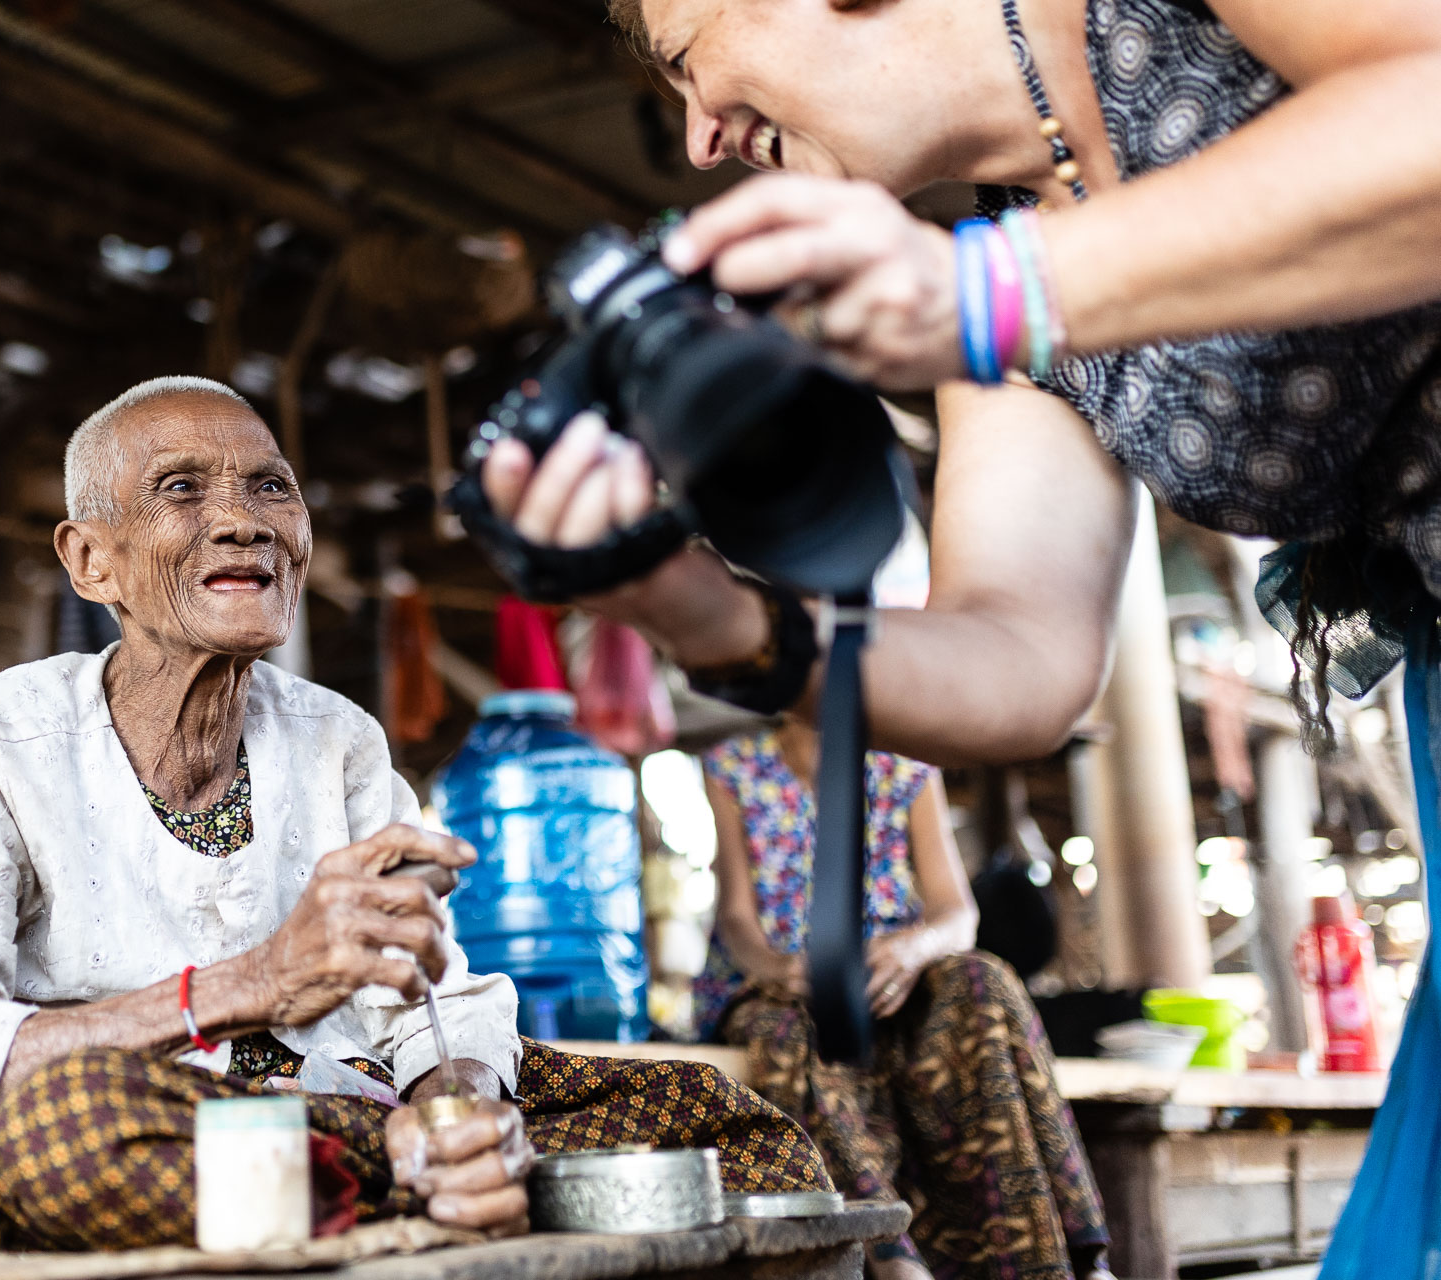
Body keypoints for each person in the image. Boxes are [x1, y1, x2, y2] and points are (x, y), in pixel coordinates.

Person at [478, 2, 1441, 1271]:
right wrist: (698, 608)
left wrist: (997, 299)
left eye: (687, 58)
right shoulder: (999, 257)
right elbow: (1021, 657)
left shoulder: (1014, 250)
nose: (701, 136)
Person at [0, 376, 828, 1251]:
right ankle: (382, 1191)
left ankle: (409, 1186)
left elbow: (432, 999)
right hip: (136, 1135)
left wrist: (456, 1115)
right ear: (90, 560)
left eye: (271, 486)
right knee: (68, 1127)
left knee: (716, 1118)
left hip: (343, 1122)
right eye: (182, 489)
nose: (243, 521)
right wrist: (253, 982)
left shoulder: (339, 738)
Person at [696, 720, 1108, 1280]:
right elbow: (736, 918)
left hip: (893, 975)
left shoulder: (905, 764)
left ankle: (1067, 1255)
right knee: (786, 1032)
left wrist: (911, 952)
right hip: (781, 985)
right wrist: (781, 968)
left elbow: (957, 914)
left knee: (982, 980)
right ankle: (892, 1255)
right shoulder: (731, 767)